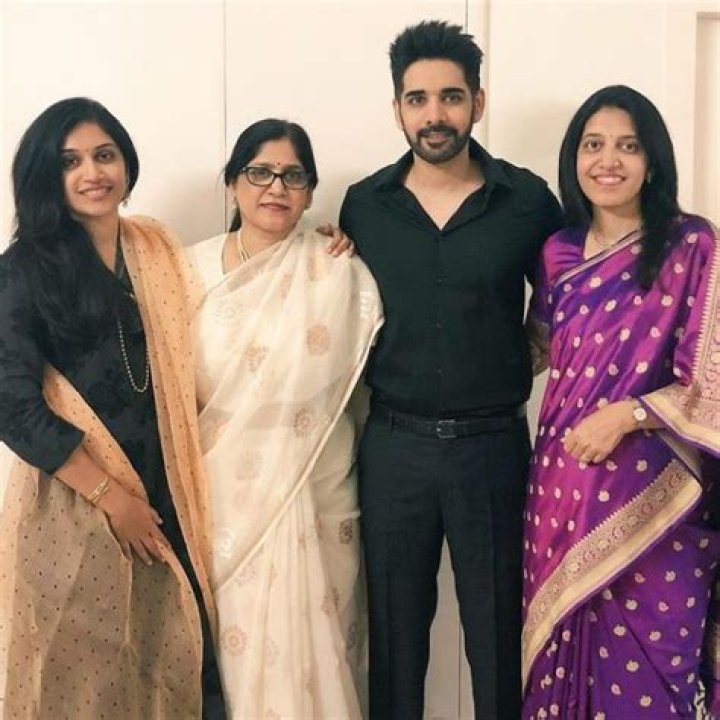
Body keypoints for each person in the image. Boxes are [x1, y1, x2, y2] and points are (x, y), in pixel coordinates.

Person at [339, 20, 563, 719]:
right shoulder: (365, 205)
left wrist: (516, 361)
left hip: (492, 450)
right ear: (397, 108)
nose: (434, 114)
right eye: (418, 99)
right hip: (393, 447)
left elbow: (563, 308)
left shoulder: (528, 202)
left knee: (498, 637)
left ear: (478, 102)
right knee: (395, 640)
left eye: (450, 97)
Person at [0, 97, 226, 719]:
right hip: (76, 504)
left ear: (126, 161)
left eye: (104, 155)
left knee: (177, 663)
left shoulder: (153, 248)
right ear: (45, 175)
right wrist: (111, 498)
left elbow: (231, 287)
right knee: (89, 683)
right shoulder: (23, 271)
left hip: (169, 490)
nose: (92, 172)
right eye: (70, 161)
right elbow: (12, 406)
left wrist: (320, 244)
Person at [522, 85, 720, 719]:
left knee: (656, 669)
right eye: (593, 145)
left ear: (652, 162)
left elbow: (711, 376)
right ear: (574, 158)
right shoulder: (556, 252)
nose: (608, 161)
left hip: (661, 493)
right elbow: (537, 351)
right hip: (561, 485)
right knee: (560, 655)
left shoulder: (693, 245)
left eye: (628, 147)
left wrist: (628, 414)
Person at [186, 118, 383, 719]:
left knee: (321, 651)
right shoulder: (187, 271)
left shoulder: (336, 267)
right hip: (224, 499)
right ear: (232, 183)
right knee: (235, 658)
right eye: (260, 172)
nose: (276, 187)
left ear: (310, 189)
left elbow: (360, 387)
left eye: (293, 175)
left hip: (318, 489)